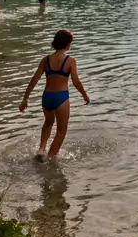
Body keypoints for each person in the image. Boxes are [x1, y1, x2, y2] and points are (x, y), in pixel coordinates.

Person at [18, 29, 90, 161]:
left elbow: (34, 79)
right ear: (68, 44)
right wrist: (84, 94)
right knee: (61, 130)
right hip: (61, 97)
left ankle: (41, 149)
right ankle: (51, 158)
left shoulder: (46, 60)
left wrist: (25, 98)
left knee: (48, 122)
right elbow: (75, 81)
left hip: (47, 97)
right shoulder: (70, 61)